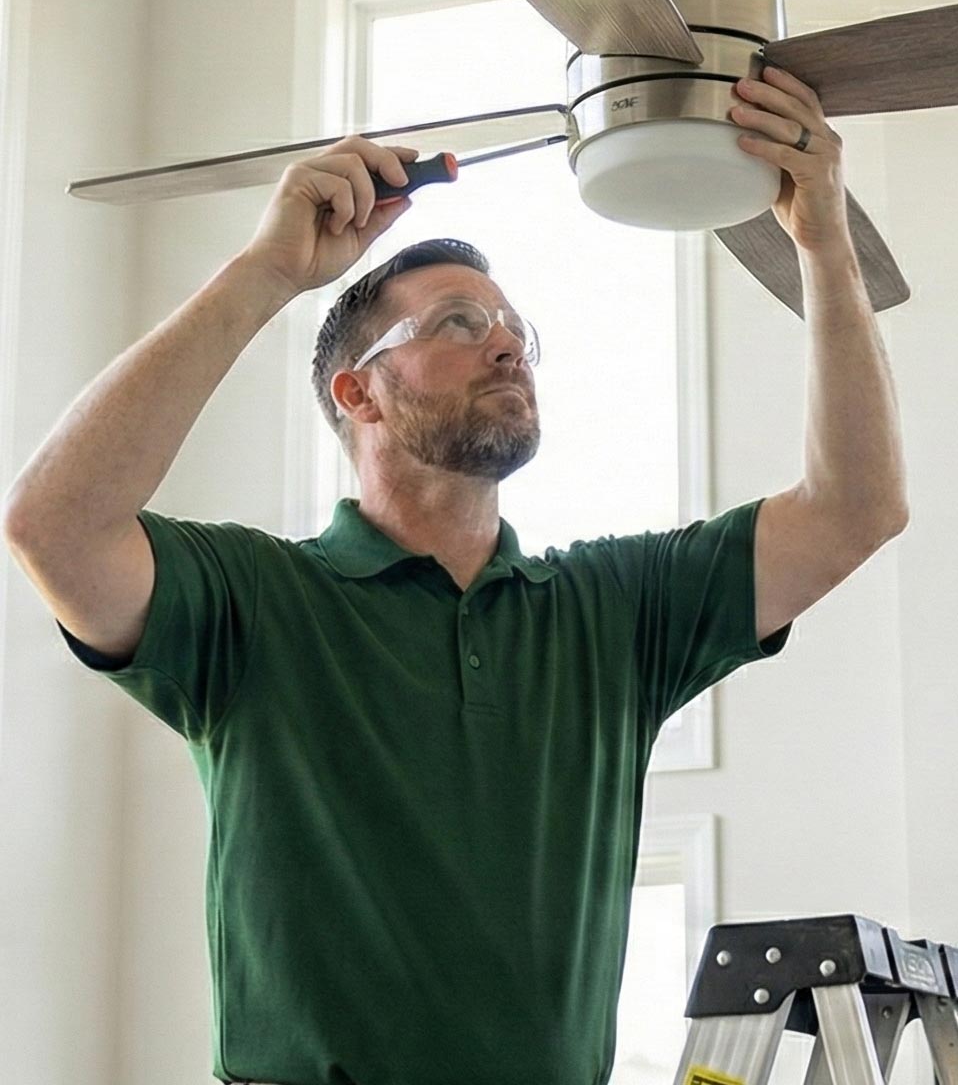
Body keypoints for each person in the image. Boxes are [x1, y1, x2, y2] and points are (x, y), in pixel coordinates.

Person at [2, 67, 908, 1085]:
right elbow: (55, 524)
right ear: (361, 392)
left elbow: (855, 511)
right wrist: (267, 272)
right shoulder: (256, 603)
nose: (509, 346)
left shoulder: (612, 613)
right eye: (459, 326)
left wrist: (825, 248)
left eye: (516, 331)